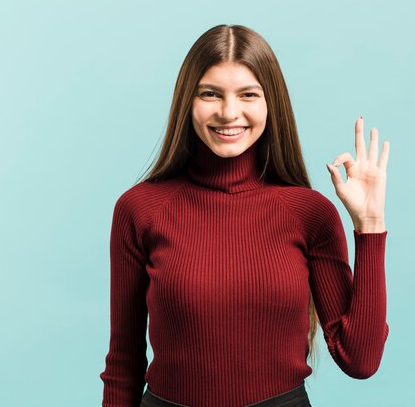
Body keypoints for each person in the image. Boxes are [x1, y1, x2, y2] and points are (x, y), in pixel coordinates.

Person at [99, 24, 390, 407]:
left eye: (248, 94)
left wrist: (369, 227)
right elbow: (124, 365)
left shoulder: (310, 214)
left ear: (271, 103)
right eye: (210, 94)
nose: (228, 112)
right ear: (188, 101)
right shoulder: (140, 209)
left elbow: (361, 360)